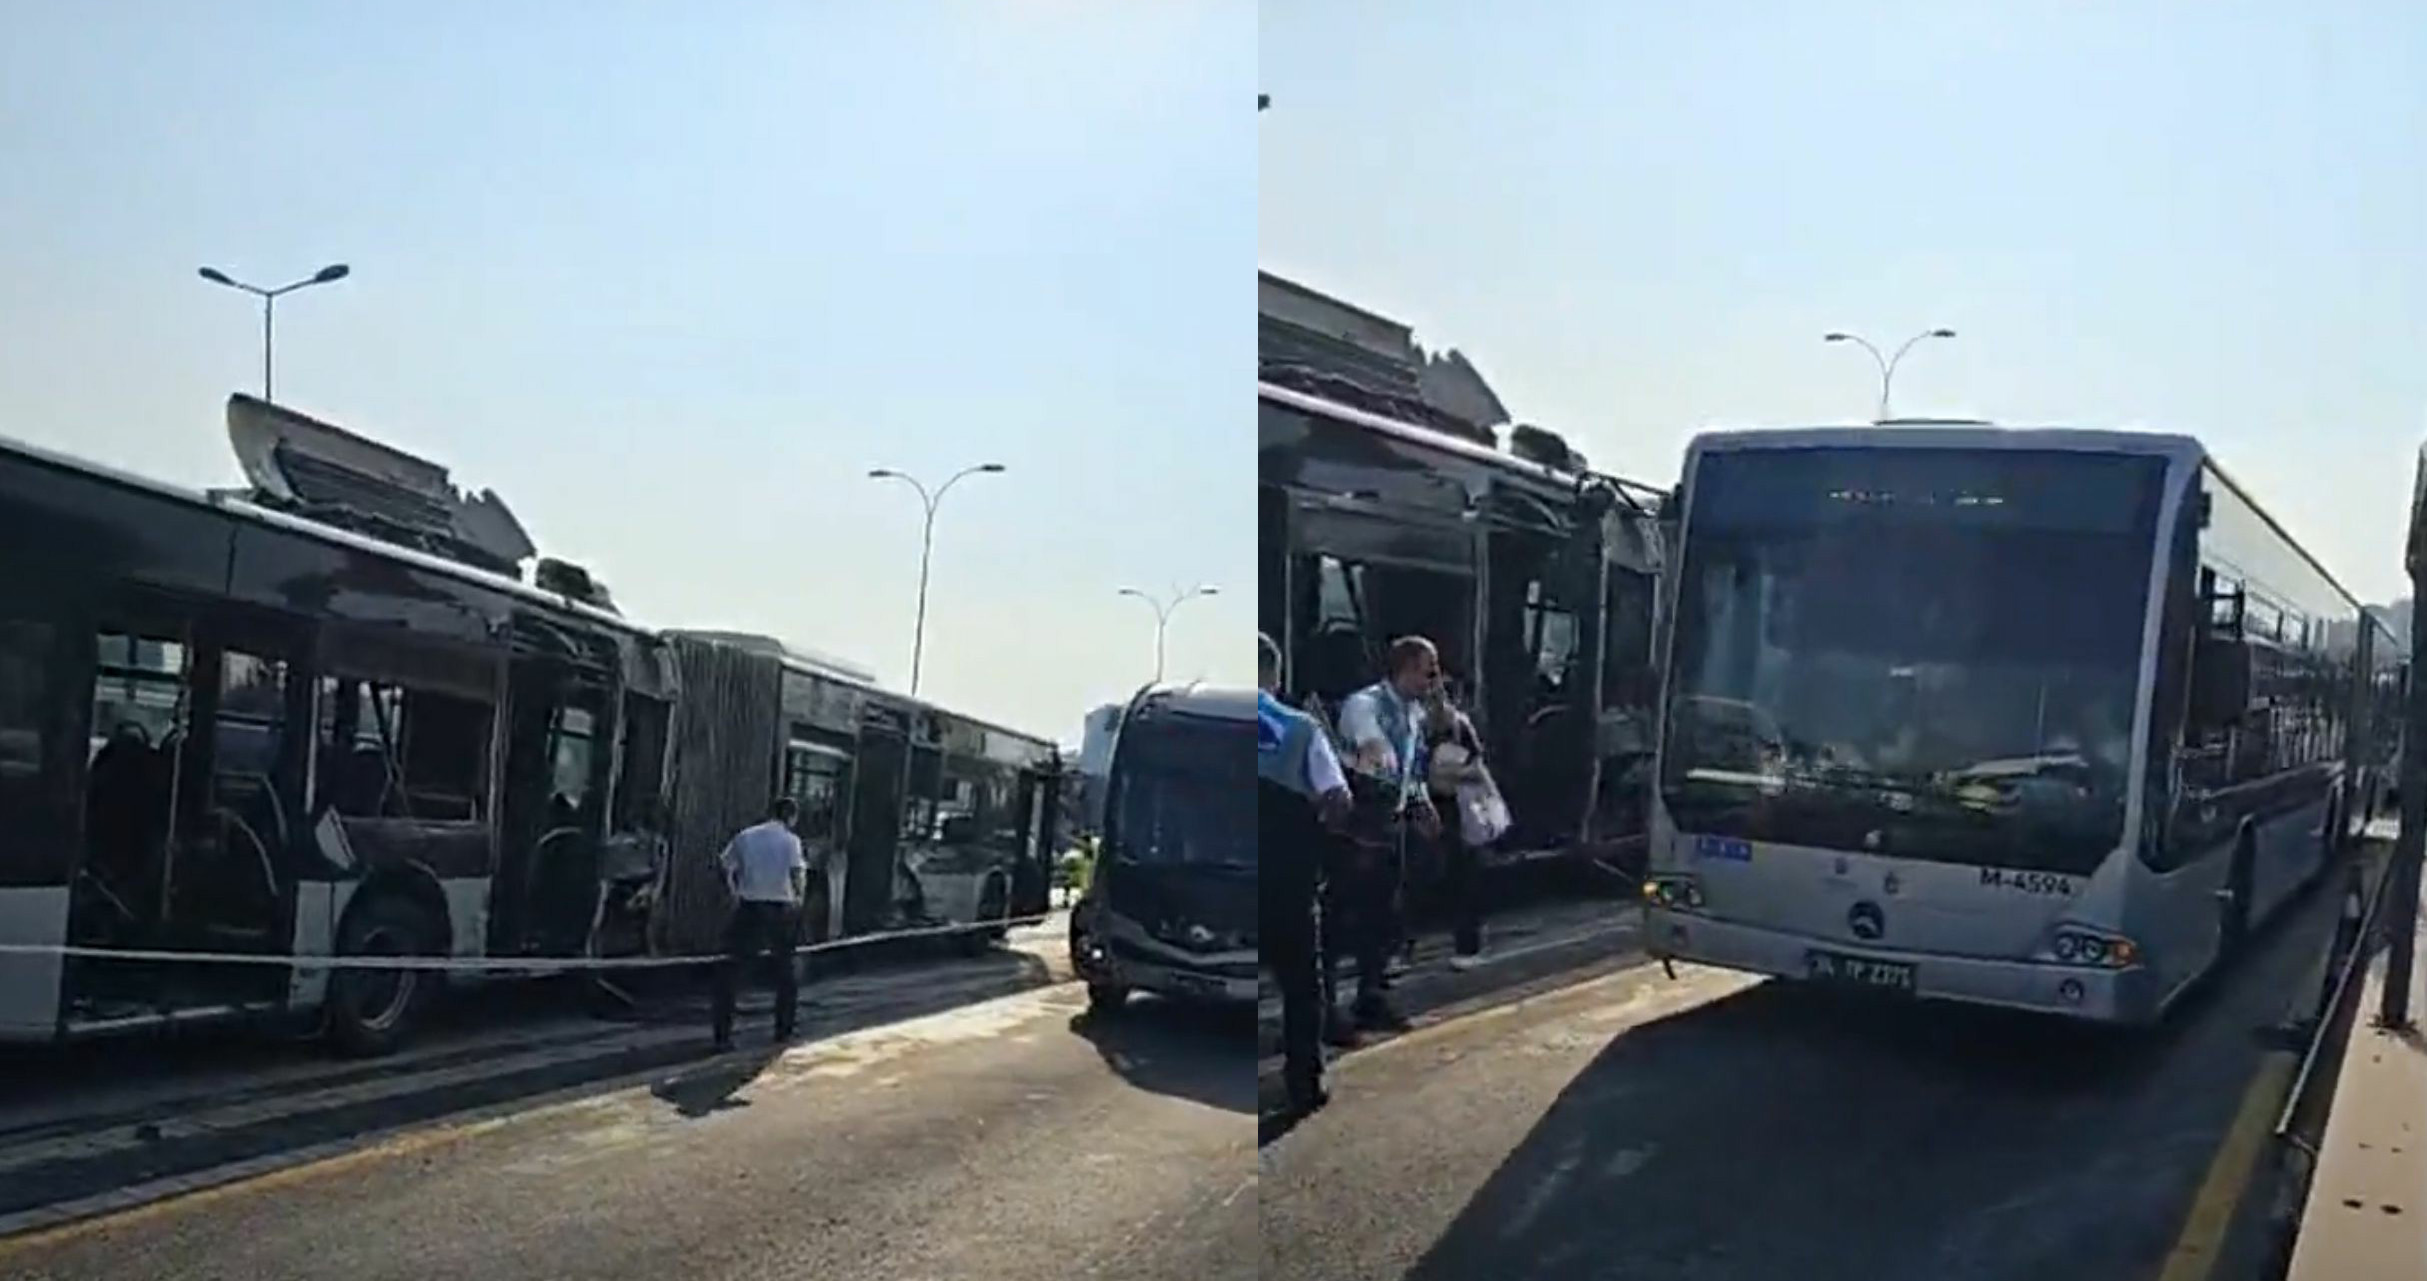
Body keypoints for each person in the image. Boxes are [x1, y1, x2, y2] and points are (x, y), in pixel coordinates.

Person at [1258, 632, 1351, 1117]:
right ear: (1275, 675)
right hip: (1286, 879)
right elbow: (1338, 798)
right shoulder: (1301, 729)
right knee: (1301, 986)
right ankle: (1303, 1084)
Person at [1330, 635, 1442, 1036]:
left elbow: (1411, 765)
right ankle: (1326, 1011)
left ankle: (1370, 998)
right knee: (1341, 920)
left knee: (1384, 918)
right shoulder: (1366, 705)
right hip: (1355, 830)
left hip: (1388, 826)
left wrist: (1419, 800)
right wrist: (1380, 758)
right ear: (1407, 669)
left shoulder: (1413, 713)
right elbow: (1375, 752)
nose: (1434, 681)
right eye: (1429, 671)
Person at [710, 796, 807, 1051]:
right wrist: (799, 899)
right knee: (786, 972)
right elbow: (796, 874)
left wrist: (733, 892)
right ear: (791, 817)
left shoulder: (746, 836)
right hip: (779, 908)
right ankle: (783, 1031)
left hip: (749, 906)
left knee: (730, 972)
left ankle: (723, 1035)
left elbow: (724, 866)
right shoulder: (791, 841)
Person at [1423, 677, 1492, 971]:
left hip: (1458, 810)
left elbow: (1478, 769)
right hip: (1427, 809)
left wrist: (1447, 775)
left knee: (1464, 878)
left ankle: (1468, 944)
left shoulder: (1460, 726)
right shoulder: (1414, 727)